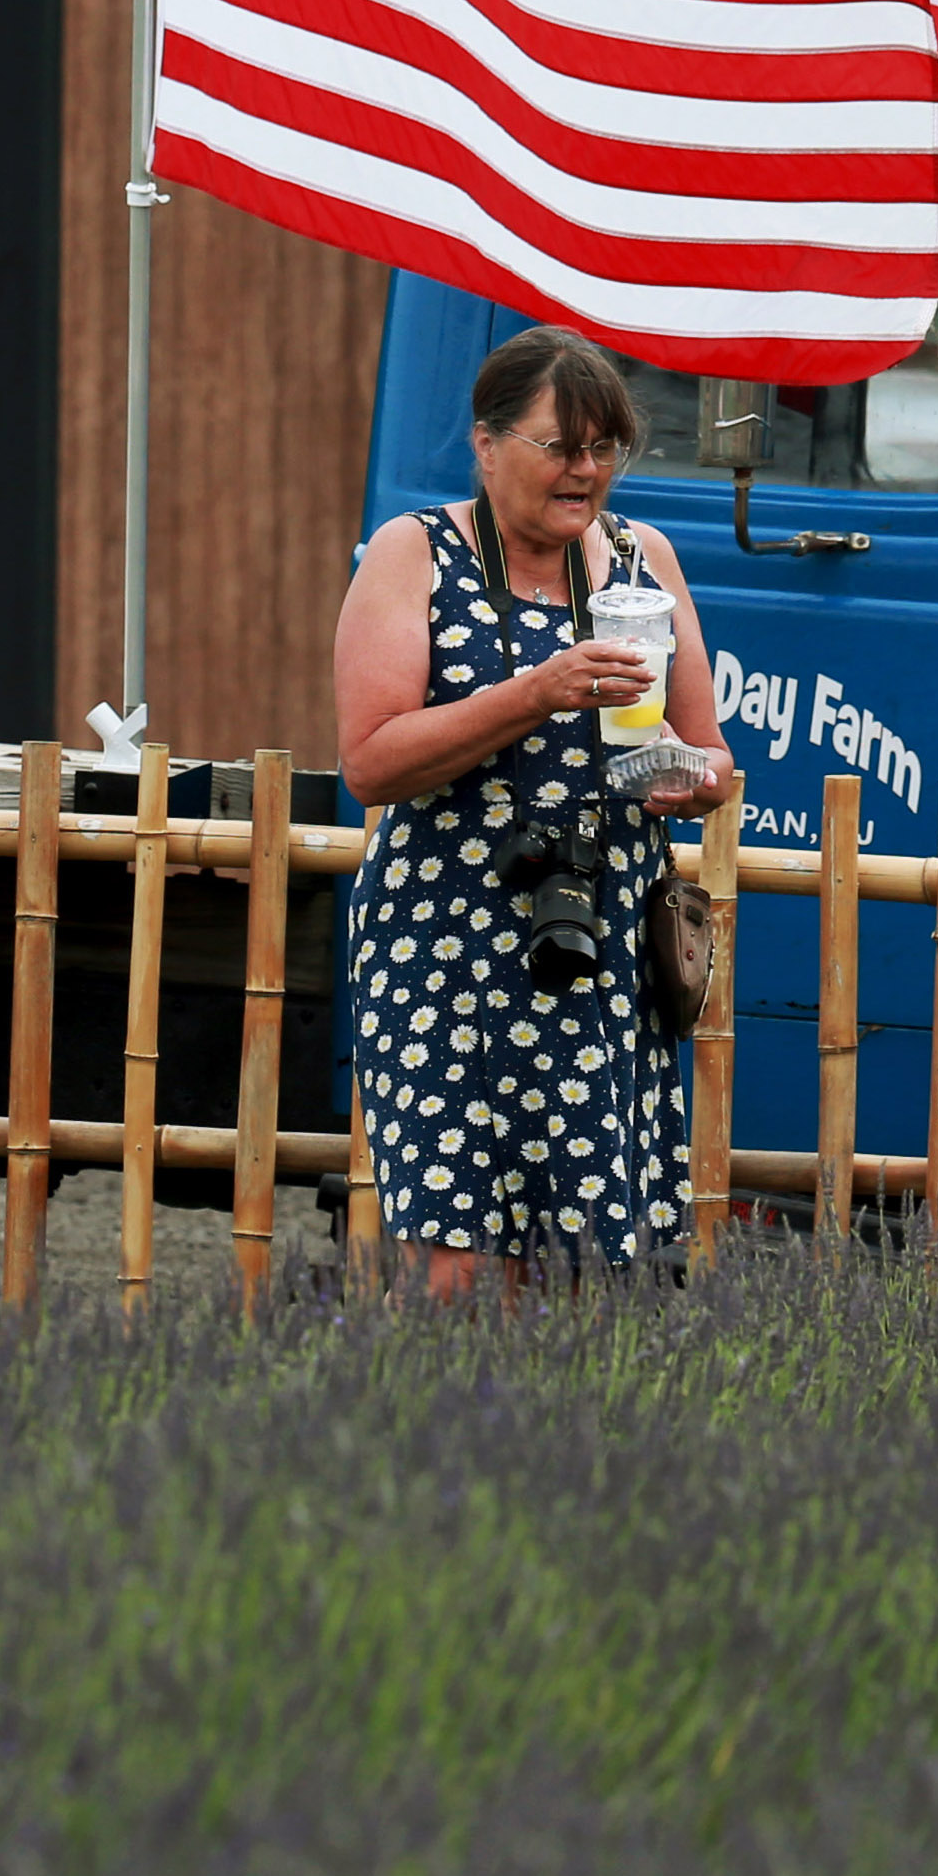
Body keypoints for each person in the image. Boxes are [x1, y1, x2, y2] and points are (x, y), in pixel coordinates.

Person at [334, 324, 740, 1297]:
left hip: (592, 948)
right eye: (557, 447)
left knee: (576, 1267)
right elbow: (369, 760)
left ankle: (544, 1446)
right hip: (441, 945)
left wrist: (692, 782)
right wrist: (534, 692)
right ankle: (431, 1443)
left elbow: (714, 755)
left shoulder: (647, 561)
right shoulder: (413, 552)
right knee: (457, 1264)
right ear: (485, 446)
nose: (584, 471)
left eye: (603, 448)